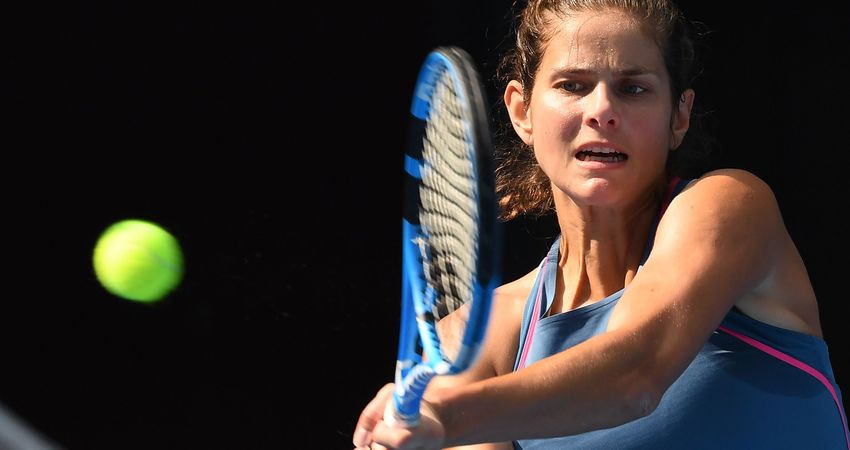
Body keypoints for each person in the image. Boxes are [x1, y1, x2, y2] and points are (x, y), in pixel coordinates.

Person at [353, 0, 850, 448]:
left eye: (633, 88)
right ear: (522, 112)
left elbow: (635, 373)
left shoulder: (733, 206)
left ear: (679, 117)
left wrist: (450, 416)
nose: (603, 111)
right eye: (573, 86)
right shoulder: (474, 340)